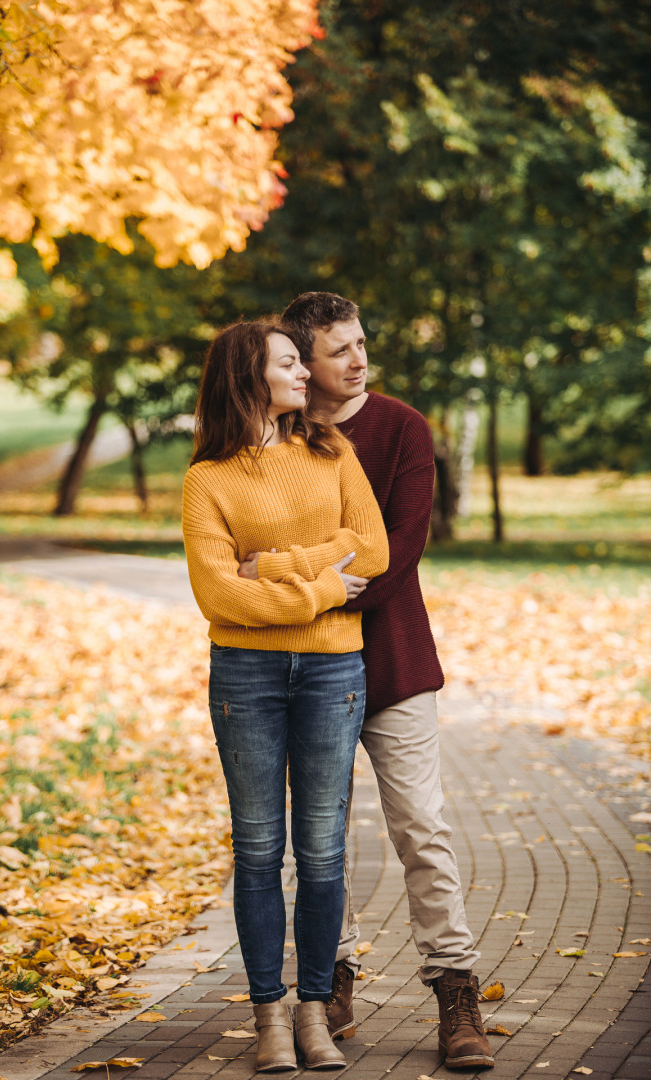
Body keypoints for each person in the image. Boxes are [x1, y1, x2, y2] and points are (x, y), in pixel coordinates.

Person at [280, 292, 495, 1071]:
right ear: (304, 362)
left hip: (394, 663)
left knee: (422, 829)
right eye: (340, 350)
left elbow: (399, 548)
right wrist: (302, 589)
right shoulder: (282, 435)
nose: (359, 358)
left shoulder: (404, 427)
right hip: (306, 665)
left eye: (361, 343)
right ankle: (330, 983)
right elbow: (274, 537)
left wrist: (310, 588)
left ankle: (455, 988)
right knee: (319, 838)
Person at [182, 320, 389, 1072]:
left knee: (323, 852)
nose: (307, 373)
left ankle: (313, 1015)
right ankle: (268, 1018)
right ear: (248, 377)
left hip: (334, 671)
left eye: (304, 360)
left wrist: (272, 566)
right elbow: (217, 594)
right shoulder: (207, 479)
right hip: (247, 675)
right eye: (290, 362)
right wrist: (324, 587)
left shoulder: (332, 452)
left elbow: (374, 548)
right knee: (259, 849)